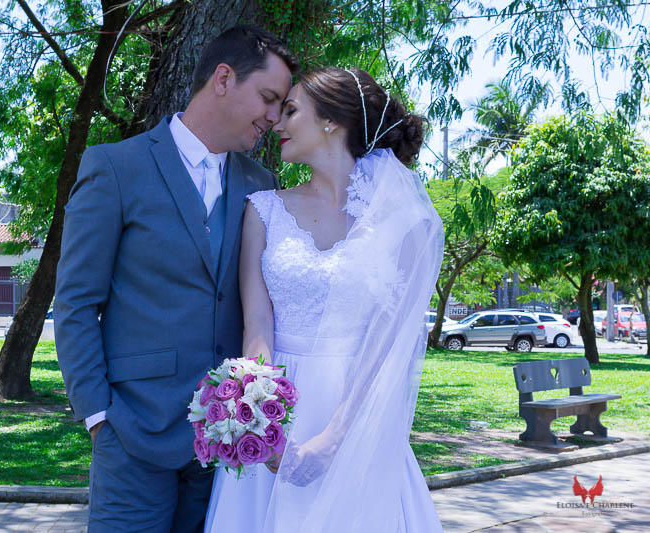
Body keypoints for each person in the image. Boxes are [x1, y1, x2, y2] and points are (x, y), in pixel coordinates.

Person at [53, 26, 298, 532]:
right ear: (224, 79)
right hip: (132, 434)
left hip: (226, 448)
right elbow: (76, 303)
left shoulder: (262, 185)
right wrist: (98, 416)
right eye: (269, 98)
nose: (275, 118)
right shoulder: (115, 167)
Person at [205, 67, 444, 532]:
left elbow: (387, 345)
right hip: (280, 403)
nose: (277, 123)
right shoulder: (263, 210)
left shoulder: (400, 224)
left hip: (358, 406)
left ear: (332, 121)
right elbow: (257, 324)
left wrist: (334, 439)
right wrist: (258, 413)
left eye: (291, 110)